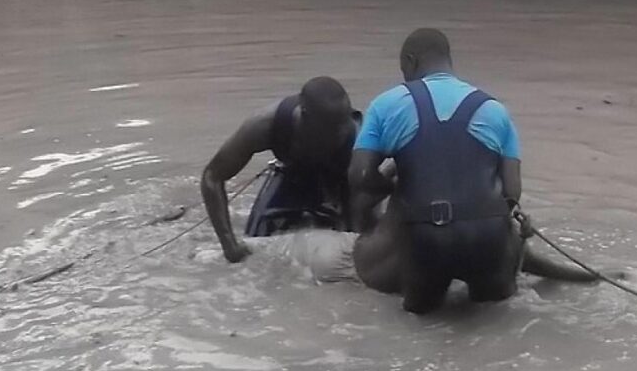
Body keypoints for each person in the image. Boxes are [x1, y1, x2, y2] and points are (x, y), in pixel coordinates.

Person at [350, 28, 576, 314]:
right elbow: (511, 192)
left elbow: (358, 176)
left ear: (410, 61)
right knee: (493, 319)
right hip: (488, 237)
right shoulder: (495, 110)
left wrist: (393, 188)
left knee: (422, 323)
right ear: (448, 60)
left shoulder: (387, 104)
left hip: (426, 239)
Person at [201, 76, 361, 263]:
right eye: (331, 129)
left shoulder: (359, 140)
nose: (341, 133)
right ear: (304, 115)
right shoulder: (265, 125)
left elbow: (366, 198)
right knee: (255, 246)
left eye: (343, 125)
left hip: (341, 179)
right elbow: (212, 177)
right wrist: (229, 246)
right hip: (292, 172)